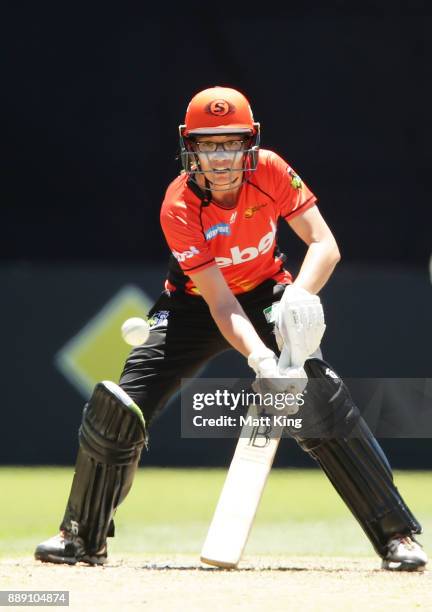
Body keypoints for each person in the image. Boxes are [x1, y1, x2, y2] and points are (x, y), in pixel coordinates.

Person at [35, 86, 427, 571]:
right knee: (119, 405)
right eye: (207, 144)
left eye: (231, 142)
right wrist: (259, 357)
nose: (220, 156)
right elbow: (220, 302)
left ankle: (398, 537)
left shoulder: (271, 170)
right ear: (189, 147)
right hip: (193, 306)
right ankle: (80, 537)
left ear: (249, 143)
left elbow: (324, 244)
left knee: (319, 396)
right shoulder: (178, 205)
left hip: (269, 295)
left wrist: (298, 301)